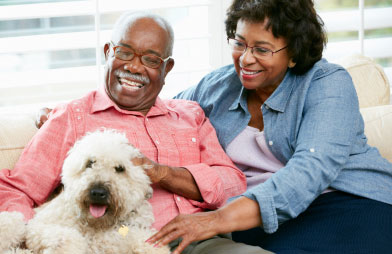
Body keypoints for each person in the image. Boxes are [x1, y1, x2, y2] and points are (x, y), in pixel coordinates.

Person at [0, 12, 273, 254]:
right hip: (114, 244)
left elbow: (233, 183)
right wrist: (37, 237)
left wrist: (163, 173)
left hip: (199, 242)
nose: (133, 67)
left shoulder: (190, 114)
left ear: (167, 69)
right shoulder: (74, 116)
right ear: (108, 52)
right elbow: (15, 190)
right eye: (124, 52)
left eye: (151, 59)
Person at [147, 0, 392, 253]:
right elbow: (159, 116)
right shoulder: (217, 87)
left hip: (345, 203)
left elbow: (311, 170)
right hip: (259, 223)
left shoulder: (328, 83)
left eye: (262, 50)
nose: (245, 59)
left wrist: (216, 220)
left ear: (294, 53)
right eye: (240, 43)